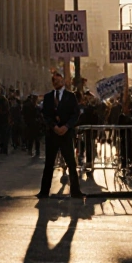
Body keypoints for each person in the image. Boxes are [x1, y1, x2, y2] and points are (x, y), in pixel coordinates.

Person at [37, 71, 83, 199]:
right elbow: (45, 115)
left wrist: (67, 126)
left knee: (71, 163)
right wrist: (54, 126)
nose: (55, 82)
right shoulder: (48, 97)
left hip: (66, 134)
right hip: (52, 134)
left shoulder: (70, 96)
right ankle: (44, 191)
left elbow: (75, 114)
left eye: (57, 80)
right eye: (53, 81)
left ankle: (75, 191)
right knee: (49, 163)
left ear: (63, 81)